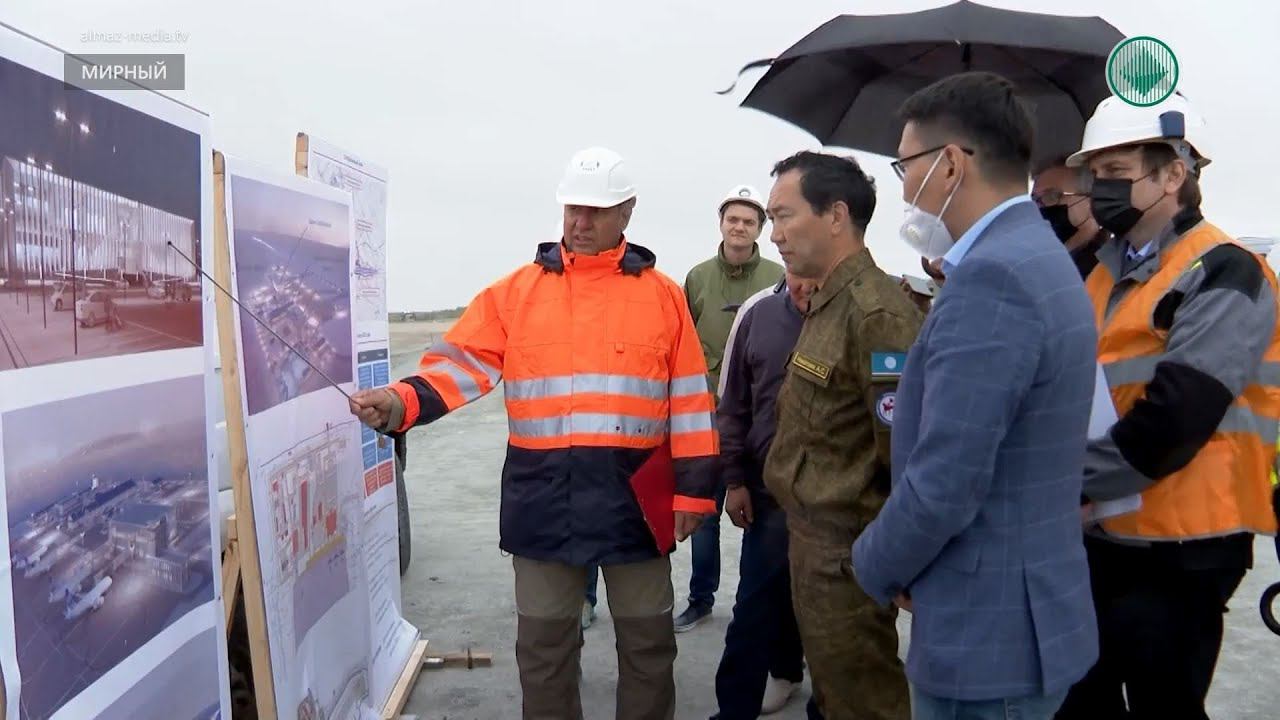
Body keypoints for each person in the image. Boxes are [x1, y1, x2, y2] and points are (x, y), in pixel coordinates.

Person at [348, 146, 720, 720]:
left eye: (596, 210)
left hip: (636, 506)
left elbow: (691, 402)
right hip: (545, 502)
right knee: (544, 654)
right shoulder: (516, 293)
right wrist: (400, 402)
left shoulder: (663, 296)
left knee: (649, 649)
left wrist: (694, 494)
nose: (581, 222)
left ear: (627, 211)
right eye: (573, 208)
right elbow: (459, 366)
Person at [851, 71, 1099, 720]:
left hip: (987, 637)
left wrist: (872, 563)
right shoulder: (1034, 255)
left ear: (951, 165)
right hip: (1022, 616)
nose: (903, 186)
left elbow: (945, 482)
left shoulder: (995, 278)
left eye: (906, 165)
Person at [1054, 93, 1280, 720]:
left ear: (1174, 174)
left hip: (1185, 544)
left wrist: (1066, 484)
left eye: (1116, 173)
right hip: (1106, 534)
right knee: (1081, 703)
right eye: (1094, 175)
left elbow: (1176, 418)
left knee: (1165, 707)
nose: (1099, 189)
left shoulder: (1226, 271)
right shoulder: (1101, 274)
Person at [761, 150, 923, 720]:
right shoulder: (827, 302)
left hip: (849, 556)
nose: (774, 234)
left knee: (863, 702)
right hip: (811, 544)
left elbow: (904, 453)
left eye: (784, 216)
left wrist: (897, 560)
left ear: (835, 215)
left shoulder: (876, 314)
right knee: (834, 695)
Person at [676, 185, 785, 632]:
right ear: (721, 224)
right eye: (733, 219)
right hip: (706, 418)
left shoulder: (779, 276)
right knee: (704, 515)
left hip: (760, 422)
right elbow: (681, 342)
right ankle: (700, 599)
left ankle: (753, 606)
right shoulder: (698, 278)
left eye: (749, 221)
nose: (739, 227)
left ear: (761, 228)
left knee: (762, 517)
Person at [710, 272, 813, 719]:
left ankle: (795, 675)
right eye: (792, 269)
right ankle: (735, 709)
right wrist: (734, 481)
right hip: (769, 493)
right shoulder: (759, 313)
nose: (802, 284)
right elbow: (732, 405)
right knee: (755, 604)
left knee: (838, 614)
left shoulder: (861, 311)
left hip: (840, 502)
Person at [1032, 154, 1110, 277]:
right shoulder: (1035, 258)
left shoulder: (1105, 267)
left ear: (1089, 201)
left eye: (1052, 196)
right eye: (1035, 199)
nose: (1039, 207)